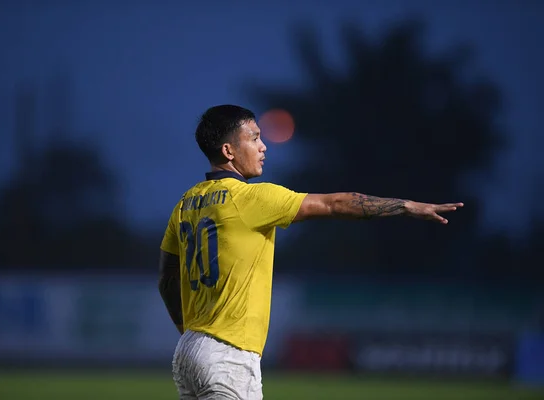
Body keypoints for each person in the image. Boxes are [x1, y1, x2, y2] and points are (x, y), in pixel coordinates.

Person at [158, 104, 463, 399]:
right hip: (228, 353)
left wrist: (190, 332)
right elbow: (335, 204)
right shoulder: (251, 198)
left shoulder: (185, 204)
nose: (263, 146)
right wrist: (406, 206)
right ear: (229, 151)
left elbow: (166, 280)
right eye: (254, 138)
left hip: (189, 349)